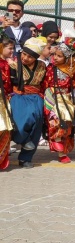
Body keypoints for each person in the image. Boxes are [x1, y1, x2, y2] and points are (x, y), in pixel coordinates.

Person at [43, 40, 75, 163]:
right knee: (55, 120)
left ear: (67, 58)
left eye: (59, 56)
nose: (55, 57)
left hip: (66, 98)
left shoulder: (72, 69)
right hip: (52, 97)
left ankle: (63, 152)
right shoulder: (50, 67)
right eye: (55, 55)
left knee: (67, 123)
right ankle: (56, 142)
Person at [9, 37, 47, 168]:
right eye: (24, 54)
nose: (25, 58)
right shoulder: (13, 63)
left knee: (36, 125)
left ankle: (26, 158)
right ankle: (24, 140)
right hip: (19, 97)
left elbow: (44, 83)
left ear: (36, 57)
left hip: (36, 97)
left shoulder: (42, 65)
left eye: (30, 57)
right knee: (19, 124)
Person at [0, 36, 13, 170]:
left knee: (5, 129)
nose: (12, 51)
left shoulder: (9, 64)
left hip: (5, 99)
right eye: (10, 48)